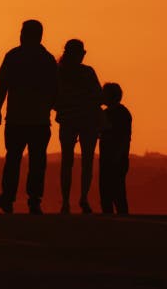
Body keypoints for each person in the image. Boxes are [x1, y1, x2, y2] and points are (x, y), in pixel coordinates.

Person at [0, 20, 58, 214]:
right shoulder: (47, 59)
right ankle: (34, 199)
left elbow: (2, 87)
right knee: (37, 162)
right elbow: (55, 90)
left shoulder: (13, 56)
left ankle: (8, 197)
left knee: (13, 159)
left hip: (17, 119)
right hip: (39, 120)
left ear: (25, 35)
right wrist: (49, 107)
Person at [55, 39, 103, 214]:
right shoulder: (87, 72)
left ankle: (66, 201)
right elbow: (99, 95)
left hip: (68, 120)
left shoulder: (58, 72)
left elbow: (53, 97)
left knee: (67, 162)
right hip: (88, 120)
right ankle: (83, 198)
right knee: (87, 162)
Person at [99, 83, 132, 215]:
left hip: (116, 158)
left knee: (116, 192)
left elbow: (124, 137)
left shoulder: (121, 114)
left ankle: (119, 220)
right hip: (109, 158)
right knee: (107, 193)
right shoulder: (112, 113)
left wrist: (118, 156)